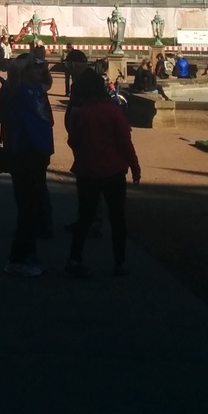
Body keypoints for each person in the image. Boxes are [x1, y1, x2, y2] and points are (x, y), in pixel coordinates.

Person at [64, 68, 141, 278]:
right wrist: (134, 166)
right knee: (117, 218)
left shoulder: (81, 112)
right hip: (113, 170)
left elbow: (73, 140)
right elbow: (125, 141)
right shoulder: (112, 111)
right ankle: (119, 262)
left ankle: (75, 258)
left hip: (88, 170)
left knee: (85, 217)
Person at [0, 56, 54, 276]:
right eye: (34, 69)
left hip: (38, 153)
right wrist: (22, 65)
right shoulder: (15, 91)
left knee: (34, 208)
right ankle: (17, 258)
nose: (39, 72)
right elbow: (13, 79)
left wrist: (44, 67)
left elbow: (47, 82)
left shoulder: (36, 89)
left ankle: (29, 253)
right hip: (24, 152)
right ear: (24, 71)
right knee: (27, 209)